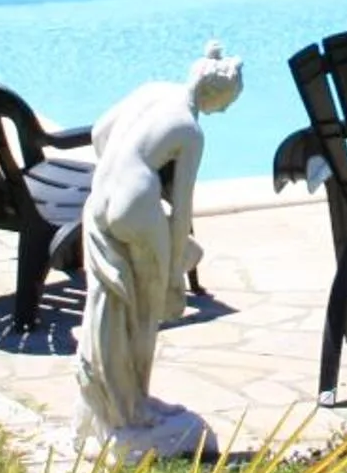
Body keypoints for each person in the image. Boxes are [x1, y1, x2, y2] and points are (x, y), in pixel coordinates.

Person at [74, 44, 243, 438]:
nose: (228, 111)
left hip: (100, 196)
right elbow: (182, 209)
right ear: (215, 95)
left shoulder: (153, 91)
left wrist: (123, 163)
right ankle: (134, 405)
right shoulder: (191, 130)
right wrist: (173, 271)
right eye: (229, 102)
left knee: (107, 298)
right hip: (136, 205)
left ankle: (105, 396)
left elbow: (100, 130)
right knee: (145, 310)